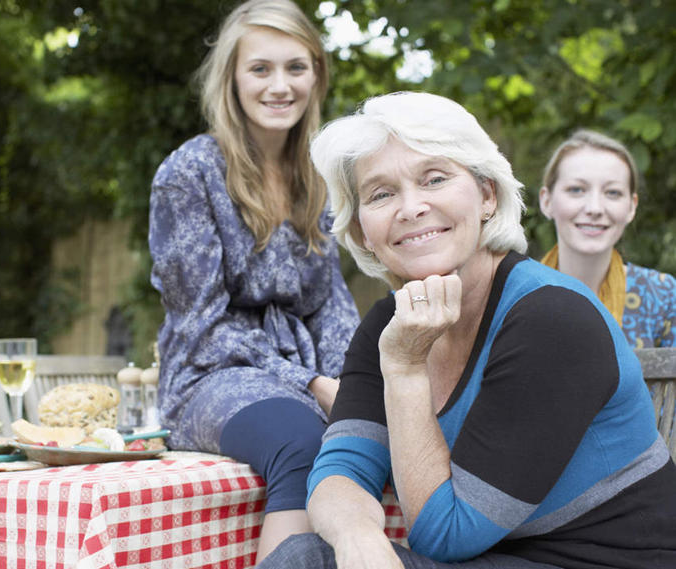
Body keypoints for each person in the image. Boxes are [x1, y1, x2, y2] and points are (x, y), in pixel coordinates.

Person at [258, 92, 676, 569]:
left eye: (434, 179)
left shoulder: (551, 320)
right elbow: (340, 472)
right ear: (360, 232)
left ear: (486, 195)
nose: (411, 207)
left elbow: (444, 536)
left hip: (600, 562)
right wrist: (356, 535)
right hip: (495, 560)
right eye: (381, 194)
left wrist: (406, 369)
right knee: (308, 556)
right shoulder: (387, 323)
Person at [147, 0, 360, 561]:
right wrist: (312, 384)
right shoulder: (189, 173)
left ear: (316, 75)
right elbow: (201, 324)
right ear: (233, 79)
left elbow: (331, 305)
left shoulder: (320, 177)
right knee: (302, 440)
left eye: (296, 67)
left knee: (369, 434)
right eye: (260, 68)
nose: (279, 85)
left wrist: (355, 385)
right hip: (207, 376)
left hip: (304, 375)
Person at [538, 129, 675, 348]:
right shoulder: (511, 295)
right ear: (546, 201)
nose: (595, 208)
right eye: (576, 189)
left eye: (612, 193)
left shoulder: (662, 297)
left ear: (631, 206)